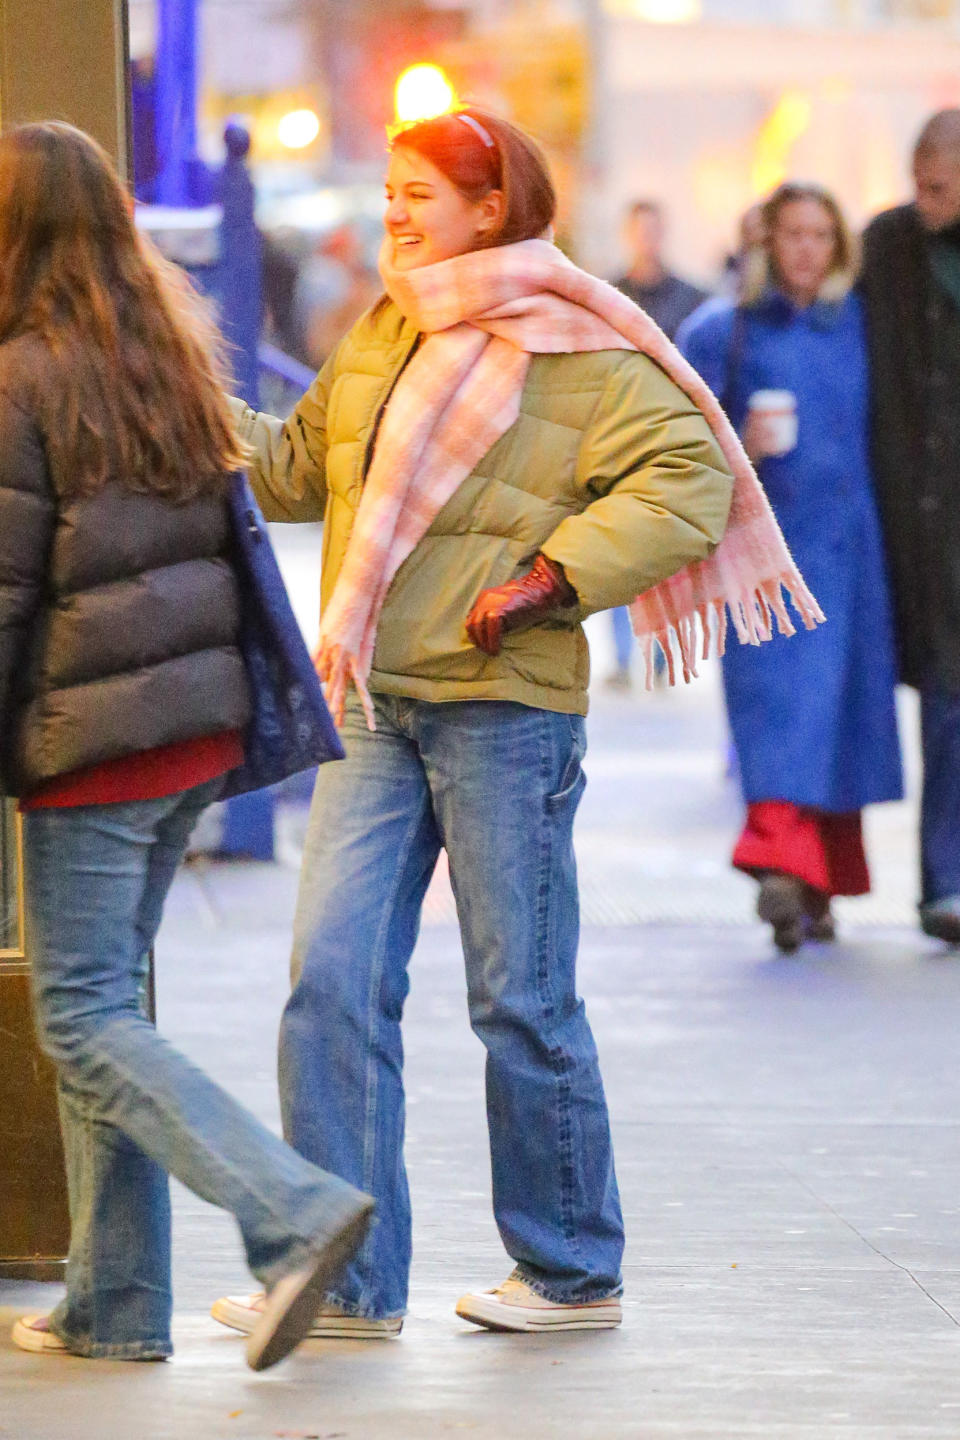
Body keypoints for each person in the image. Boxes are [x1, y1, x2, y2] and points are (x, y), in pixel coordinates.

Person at [211, 108, 818, 1339]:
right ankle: (346, 1281)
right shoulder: (389, 327)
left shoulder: (579, 341)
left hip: (505, 715)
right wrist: (191, 403)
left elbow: (689, 478)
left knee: (520, 997)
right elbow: (293, 473)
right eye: (388, 188)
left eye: (418, 190)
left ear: (492, 208)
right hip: (376, 701)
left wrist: (549, 578)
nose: (393, 210)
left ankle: (570, 1269)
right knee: (328, 980)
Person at [0, 122, 373, 1370]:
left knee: (87, 1017)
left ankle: (292, 1209)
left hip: (95, 742)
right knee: (109, 1008)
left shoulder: (19, 377)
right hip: (186, 736)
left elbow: (4, 592)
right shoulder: (163, 358)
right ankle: (115, 1306)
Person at [678, 182, 903, 952]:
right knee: (779, 707)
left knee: (840, 716)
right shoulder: (724, 329)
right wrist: (741, 439)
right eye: (794, 234)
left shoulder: (859, 326)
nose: (808, 250)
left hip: (853, 549)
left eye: (821, 236)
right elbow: (675, 437)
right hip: (766, 555)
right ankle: (778, 858)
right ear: (767, 242)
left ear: (839, 248)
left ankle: (816, 880)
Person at [860, 110, 960, 944]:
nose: (925, 203)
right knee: (947, 700)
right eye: (919, 186)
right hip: (915, 521)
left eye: (940, 188)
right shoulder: (889, 246)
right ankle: (944, 884)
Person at [607, 200, 711, 688]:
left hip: (672, 436)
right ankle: (628, 657)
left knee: (666, 550)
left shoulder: (690, 298)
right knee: (618, 545)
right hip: (619, 437)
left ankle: (666, 649)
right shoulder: (608, 295)